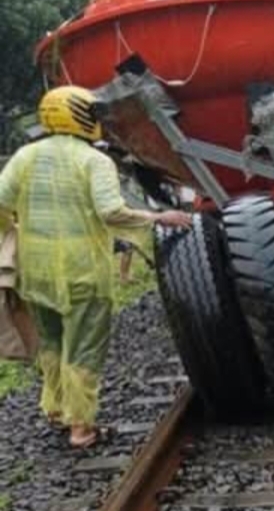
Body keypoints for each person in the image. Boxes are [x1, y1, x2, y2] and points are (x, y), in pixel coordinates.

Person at [0, 86, 192, 448]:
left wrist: (13, 231)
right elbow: (111, 212)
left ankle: (56, 409)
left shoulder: (25, 156)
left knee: (52, 344)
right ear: (83, 117)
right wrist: (157, 217)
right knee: (84, 348)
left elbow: (0, 203)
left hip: (36, 272)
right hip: (83, 272)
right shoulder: (94, 161)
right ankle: (81, 427)